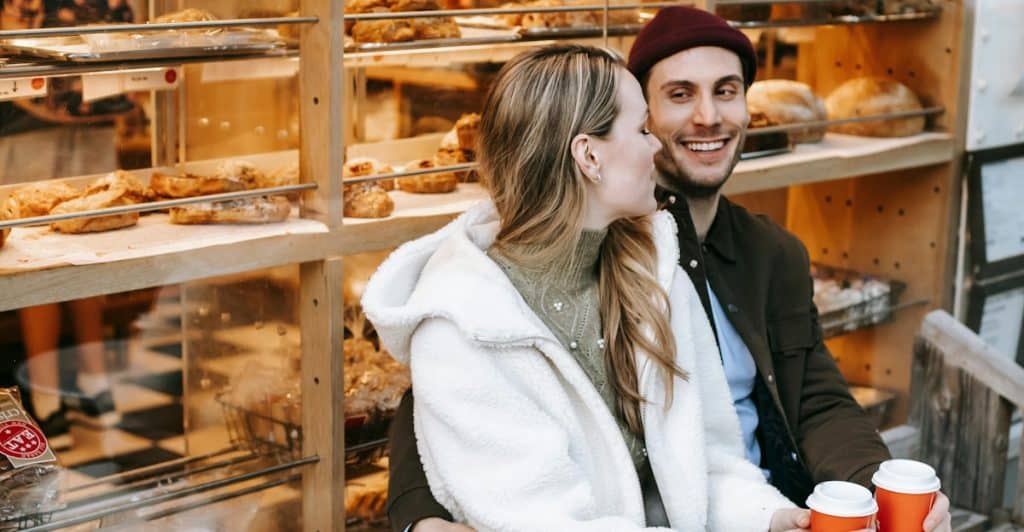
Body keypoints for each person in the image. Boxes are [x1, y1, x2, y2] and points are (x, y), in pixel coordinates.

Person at [384, 7, 952, 532]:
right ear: (595, 148)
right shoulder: (481, 304)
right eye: (677, 97)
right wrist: (418, 516)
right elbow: (445, 393)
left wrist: (861, 494)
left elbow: (799, 410)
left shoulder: (720, 258)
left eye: (726, 91)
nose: (707, 117)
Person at [363, 44, 805, 530]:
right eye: (640, 130)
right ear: (589, 155)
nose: (655, 145)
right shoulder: (465, 324)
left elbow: (709, 465)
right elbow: (548, 521)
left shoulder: (653, 273)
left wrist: (770, 517)